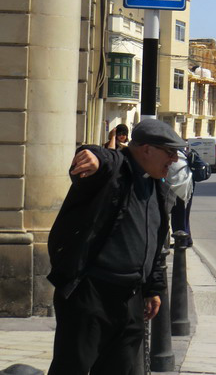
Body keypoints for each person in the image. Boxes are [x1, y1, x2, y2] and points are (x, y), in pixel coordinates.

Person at [47, 118, 184, 375]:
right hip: (90, 293)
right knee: (72, 367)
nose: (175, 159)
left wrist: (153, 288)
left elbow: (154, 243)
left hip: (130, 298)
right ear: (146, 149)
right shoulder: (115, 171)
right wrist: (92, 155)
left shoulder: (158, 189)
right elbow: (103, 159)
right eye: (170, 151)